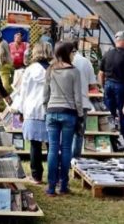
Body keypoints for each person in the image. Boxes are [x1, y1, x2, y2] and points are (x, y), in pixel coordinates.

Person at [43, 41, 83, 196]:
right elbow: (77, 97)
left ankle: (51, 187)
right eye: (72, 52)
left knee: (53, 149)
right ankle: (63, 185)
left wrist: (45, 108)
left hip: (52, 111)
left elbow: (45, 94)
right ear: (67, 53)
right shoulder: (74, 72)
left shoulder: (50, 69)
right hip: (69, 112)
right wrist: (80, 115)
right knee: (66, 149)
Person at [18, 42, 53, 184]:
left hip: (32, 110)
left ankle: (36, 176)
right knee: (52, 145)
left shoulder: (30, 70)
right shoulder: (54, 69)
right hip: (50, 109)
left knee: (35, 145)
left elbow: (23, 92)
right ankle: (53, 176)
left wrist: (21, 110)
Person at [71, 40, 97, 158]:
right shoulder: (85, 62)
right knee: (79, 133)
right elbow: (93, 85)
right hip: (83, 102)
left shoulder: (61, 61)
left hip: (66, 103)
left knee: (66, 133)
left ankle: (66, 159)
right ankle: (75, 160)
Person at [98, 31, 124, 137]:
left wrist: (102, 87)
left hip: (108, 85)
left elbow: (100, 73)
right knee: (122, 111)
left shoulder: (107, 54)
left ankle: (110, 135)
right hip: (121, 86)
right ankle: (122, 135)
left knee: (109, 111)